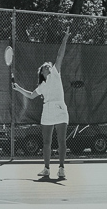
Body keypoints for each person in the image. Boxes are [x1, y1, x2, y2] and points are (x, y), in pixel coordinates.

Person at [13, 27, 70, 178]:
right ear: (42, 72)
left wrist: (65, 38)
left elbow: (60, 55)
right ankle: (46, 169)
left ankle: (62, 168)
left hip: (60, 108)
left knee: (62, 141)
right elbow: (31, 96)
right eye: (46, 66)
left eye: (49, 65)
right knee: (46, 142)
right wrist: (18, 88)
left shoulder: (56, 74)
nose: (49, 66)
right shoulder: (42, 86)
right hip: (47, 111)